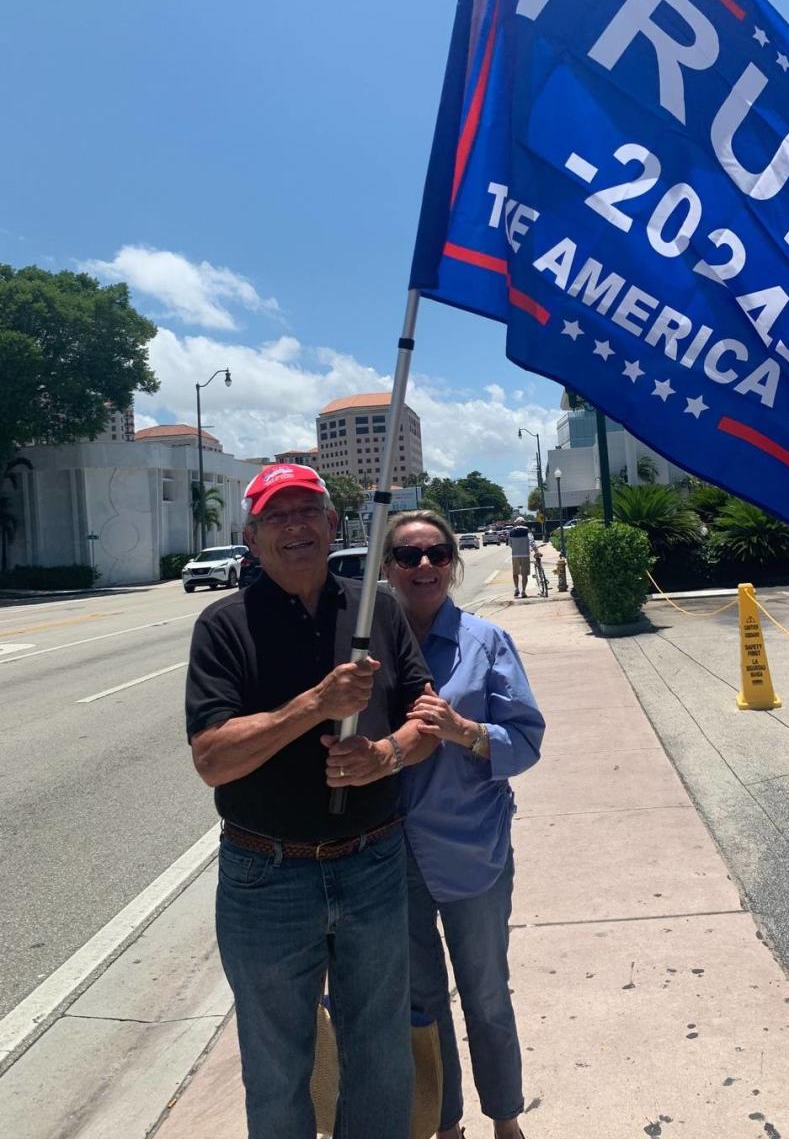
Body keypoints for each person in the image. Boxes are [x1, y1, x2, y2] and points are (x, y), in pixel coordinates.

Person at [185, 463, 435, 1139]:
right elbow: (212, 758)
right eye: (277, 515)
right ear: (252, 535)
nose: (295, 526)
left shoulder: (375, 608)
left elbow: (427, 715)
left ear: (333, 525)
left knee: (381, 1053)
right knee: (276, 1068)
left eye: (308, 512)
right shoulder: (223, 626)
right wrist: (314, 706)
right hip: (267, 877)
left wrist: (386, 754)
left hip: (373, 861)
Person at [383, 509, 545, 1139]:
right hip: (393, 859)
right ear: (388, 569)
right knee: (420, 1003)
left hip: (471, 850)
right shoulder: (370, 647)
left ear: (452, 562)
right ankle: (444, 1124)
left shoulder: (485, 641)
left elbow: (527, 740)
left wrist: (466, 732)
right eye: (406, 556)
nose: (423, 566)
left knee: (485, 995)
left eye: (435, 554)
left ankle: (506, 1119)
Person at [507, 516, 535, 598]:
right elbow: (531, 541)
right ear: (524, 522)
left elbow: (510, 544)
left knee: (515, 573)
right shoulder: (527, 530)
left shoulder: (511, 531)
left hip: (515, 555)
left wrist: (516, 548)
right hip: (525, 555)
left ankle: (516, 589)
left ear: (516, 523)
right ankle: (523, 591)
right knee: (524, 574)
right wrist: (535, 550)